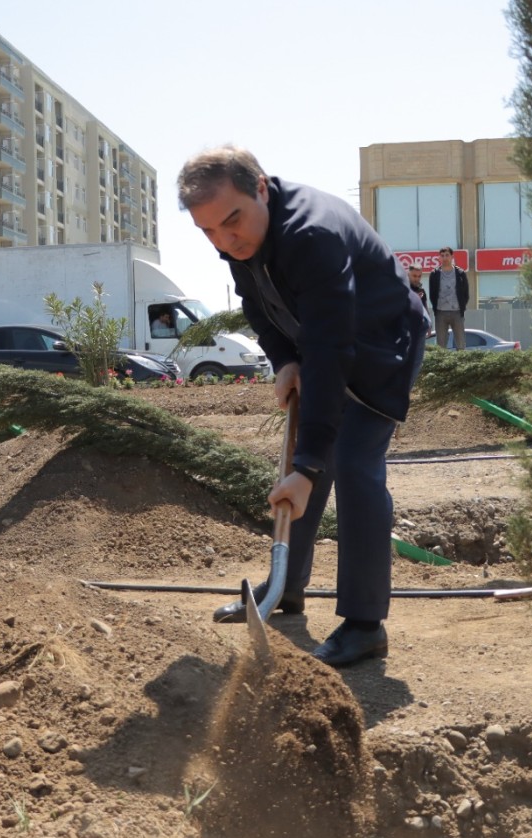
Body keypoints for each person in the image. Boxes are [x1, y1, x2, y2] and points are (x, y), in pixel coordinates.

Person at [177, 145, 425, 668]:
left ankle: (364, 624)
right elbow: (257, 304)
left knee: (352, 464)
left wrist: (310, 464)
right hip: (328, 344)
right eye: (209, 233)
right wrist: (286, 359)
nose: (225, 241)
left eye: (232, 222)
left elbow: (334, 350)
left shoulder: (312, 235)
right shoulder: (241, 236)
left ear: (261, 188)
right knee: (307, 463)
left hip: (384, 345)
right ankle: (286, 587)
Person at [428, 247, 469, 350]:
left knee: (460, 345)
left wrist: (461, 307)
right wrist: (436, 309)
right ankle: (442, 366)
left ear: (452, 257)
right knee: (441, 346)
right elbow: (432, 294)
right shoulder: (434, 274)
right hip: (441, 313)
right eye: (442, 255)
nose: (445, 258)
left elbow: (466, 293)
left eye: (447, 255)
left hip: (457, 312)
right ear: (439, 258)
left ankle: (461, 365)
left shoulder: (460, 273)